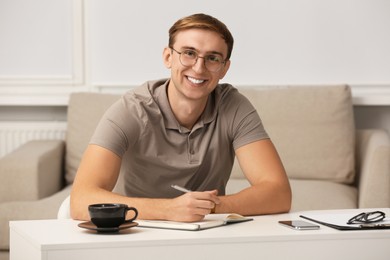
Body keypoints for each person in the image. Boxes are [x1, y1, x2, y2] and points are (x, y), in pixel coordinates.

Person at [70, 13, 291, 222]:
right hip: (139, 229)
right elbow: (81, 200)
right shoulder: (132, 109)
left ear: (224, 68)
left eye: (213, 58)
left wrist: (208, 207)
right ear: (168, 57)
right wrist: (169, 210)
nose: (199, 67)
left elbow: (279, 193)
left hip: (205, 230)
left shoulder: (233, 106)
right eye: (189, 53)